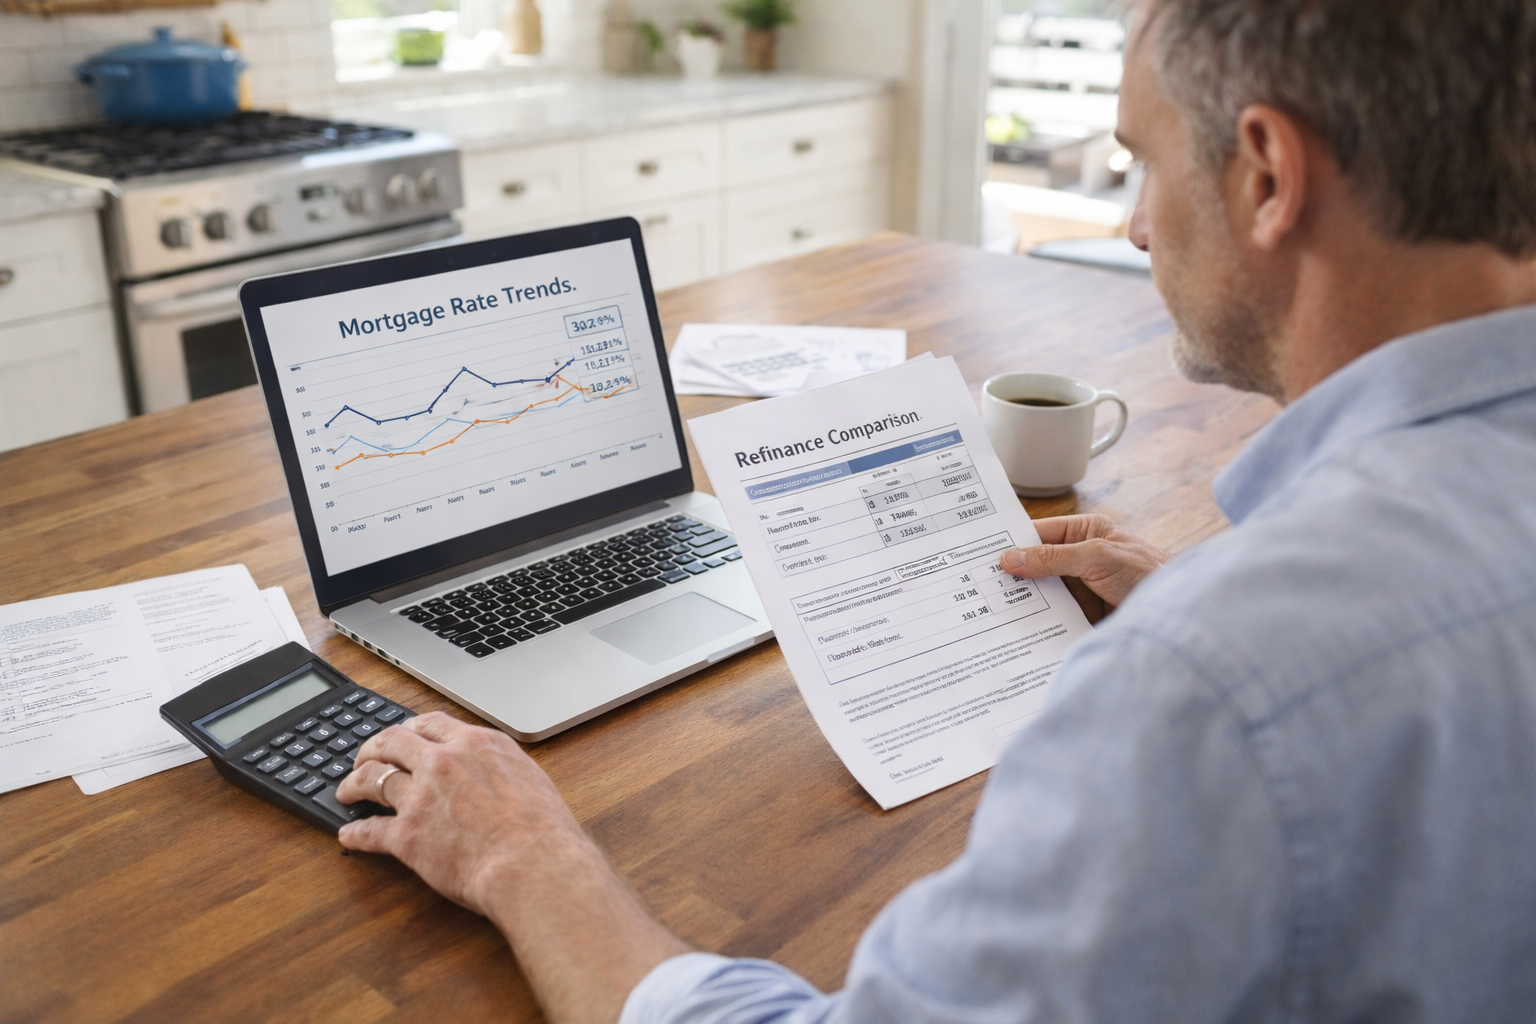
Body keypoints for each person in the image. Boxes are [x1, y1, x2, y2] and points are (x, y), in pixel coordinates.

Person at [336, 0, 1536, 1019]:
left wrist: (527, 859)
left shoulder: (1211, 685)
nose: (1133, 220)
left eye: (1141, 162)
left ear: (1268, 175)